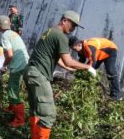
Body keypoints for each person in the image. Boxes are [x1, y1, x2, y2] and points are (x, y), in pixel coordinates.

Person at [23, 11, 97, 139]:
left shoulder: (50, 31)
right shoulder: (61, 36)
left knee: (36, 110)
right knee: (48, 115)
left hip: (30, 72)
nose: (73, 29)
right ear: (64, 21)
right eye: (72, 25)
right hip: (39, 75)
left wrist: (70, 69)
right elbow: (68, 60)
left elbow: (57, 59)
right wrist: (88, 67)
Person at [0, 15, 29, 128]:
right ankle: (11, 108)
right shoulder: (13, 33)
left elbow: (9, 54)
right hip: (25, 63)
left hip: (18, 66)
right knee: (14, 87)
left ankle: (20, 119)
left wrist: (4, 66)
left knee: (12, 90)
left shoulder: (5, 35)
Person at [69, 36, 122, 101]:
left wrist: (87, 70)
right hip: (98, 54)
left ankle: (117, 94)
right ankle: (85, 89)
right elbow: (82, 61)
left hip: (110, 50)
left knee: (110, 71)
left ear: (79, 44)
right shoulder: (80, 49)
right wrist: (76, 69)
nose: (74, 51)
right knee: (89, 70)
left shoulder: (89, 47)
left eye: (74, 49)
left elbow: (92, 62)